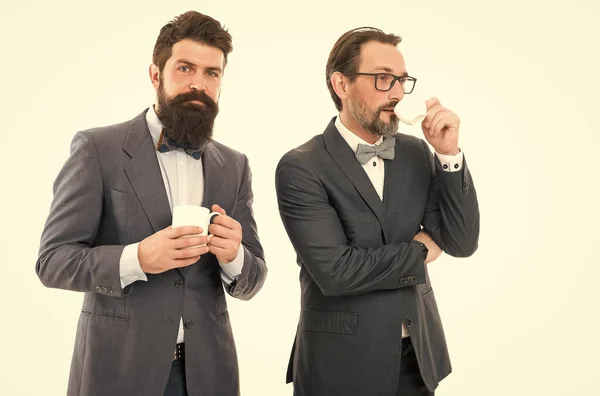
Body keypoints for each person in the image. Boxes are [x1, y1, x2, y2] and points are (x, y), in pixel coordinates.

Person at [35, 11, 267, 396]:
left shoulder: (235, 165)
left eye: (212, 73)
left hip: (209, 375)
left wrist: (234, 256)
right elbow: (52, 262)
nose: (199, 84)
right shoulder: (98, 149)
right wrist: (138, 258)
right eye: (186, 68)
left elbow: (253, 278)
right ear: (156, 75)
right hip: (118, 372)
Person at [275, 27, 480, 396]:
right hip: (339, 366)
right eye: (384, 79)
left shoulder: (417, 153)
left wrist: (448, 155)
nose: (398, 93)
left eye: (402, 81)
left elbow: (461, 242)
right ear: (341, 84)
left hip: (418, 358)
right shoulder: (301, 167)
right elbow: (336, 272)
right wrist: (417, 251)